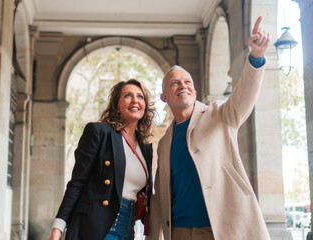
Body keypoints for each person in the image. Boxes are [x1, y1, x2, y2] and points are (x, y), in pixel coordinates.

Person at [149, 16, 271, 240]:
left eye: (188, 82)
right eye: (175, 83)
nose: (183, 85)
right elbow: (160, 196)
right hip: (178, 232)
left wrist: (256, 57)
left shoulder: (221, 114)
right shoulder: (165, 141)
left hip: (220, 230)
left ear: (195, 93)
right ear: (164, 97)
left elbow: (244, 96)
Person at [49, 79, 154, 240]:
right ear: (116, 105)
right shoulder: (99, 133)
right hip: (99, 224)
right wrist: (58, 229)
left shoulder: (145, 149)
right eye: (128, 95)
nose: (135, 100)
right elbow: (77, 182)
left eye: (140, 97)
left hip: (129, 228)